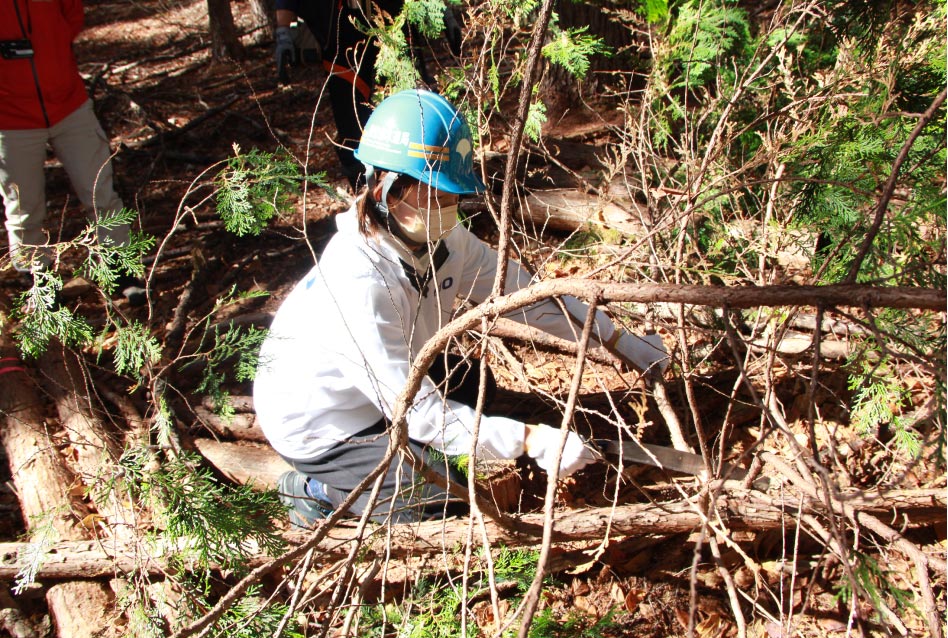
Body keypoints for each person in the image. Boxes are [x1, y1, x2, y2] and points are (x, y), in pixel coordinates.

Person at [253, 89, 670, 526]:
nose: (447, 208)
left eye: (451, 196)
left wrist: (618, 339)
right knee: (434, 502)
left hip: (395, 378)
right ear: (387, 186)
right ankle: (316, 491)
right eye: (434, 194)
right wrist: (529, 441)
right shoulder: (358, 285)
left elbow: (525, 297)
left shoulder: (442, 242)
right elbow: (422, 414)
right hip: (325, 424)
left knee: (478, 385)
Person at [0, 0, 145, 305]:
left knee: (99, 191)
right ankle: (39, 281)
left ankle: (120, 269)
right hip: (11, 118)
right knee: (24, 207)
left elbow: (71, 17)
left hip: (69, 104)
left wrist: (51, 46)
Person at [273, 0, 461, 189]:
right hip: (342, 35)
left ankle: (428, 190)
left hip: (395, 27)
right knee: (351, 125)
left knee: (416, 113)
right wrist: (284, 32)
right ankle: (367, 197)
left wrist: (445, 13)